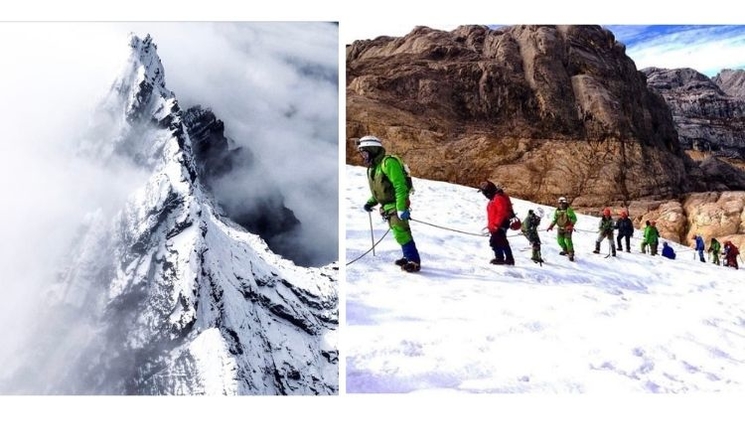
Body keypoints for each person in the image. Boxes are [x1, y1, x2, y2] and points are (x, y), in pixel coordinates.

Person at [358, 135, 421, 272]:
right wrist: (370, 203)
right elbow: (380, 191)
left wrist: (401, 208)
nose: (363, 156)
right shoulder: (374, 168)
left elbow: (400, 186)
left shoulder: (388, 163)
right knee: (398, 232)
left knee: (401, 232)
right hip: (388, 206)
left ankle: (413, 261)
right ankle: (407, 256)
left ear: (372, 150)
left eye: (364, 152)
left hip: (395, 204)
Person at [478, 180, 516, 265]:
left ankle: (505, 259)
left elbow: (501, 212)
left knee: (499, 241)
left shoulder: (498, 198)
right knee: (497, 241)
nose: (483, 195)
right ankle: (502, 258)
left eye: (484, 192)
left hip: (500, 225)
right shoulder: (495, 197)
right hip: (497, 225)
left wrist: (495, 225)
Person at [547, 196, 577, 261]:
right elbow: (555, 219)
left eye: (563, 203)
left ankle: (571, 253)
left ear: (565, 203)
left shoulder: (568, 210)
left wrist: (571, 225)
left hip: (567, 228)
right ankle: (565, 250)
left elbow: (574, 218)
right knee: (559, 241)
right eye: (560, 203)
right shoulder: (557, 210)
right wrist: (551, 226)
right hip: (560, 228)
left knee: (568, 241)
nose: (561, 204)